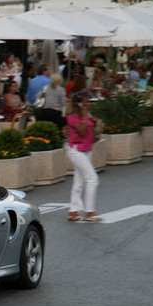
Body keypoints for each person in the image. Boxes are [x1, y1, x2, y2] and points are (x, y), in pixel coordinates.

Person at [66, 92, 101, 222]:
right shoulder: (72, 117)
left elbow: (91, 129)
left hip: (86, 149)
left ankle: (73, 212)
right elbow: (82, 130)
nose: (88, 104)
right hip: (76, 150)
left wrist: (93, 121)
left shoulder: (86, 115)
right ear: (79, 104)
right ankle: (90, 212)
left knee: (79, 182)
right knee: (92, 178)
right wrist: (85, 115)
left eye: (88, 102)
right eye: (85, 102)